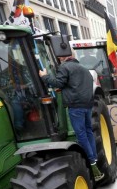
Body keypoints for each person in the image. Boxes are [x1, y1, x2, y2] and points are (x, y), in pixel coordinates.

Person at [39, 51, 104, 181]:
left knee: (80, 135)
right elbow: (75, 85)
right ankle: (94, 158)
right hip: (87, 105)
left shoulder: (64, 67)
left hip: (76, 106)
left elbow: (58, 83)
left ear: (63, 59)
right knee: (88, 132)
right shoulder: (85, 70)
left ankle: (91, 164)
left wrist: (44, 76)